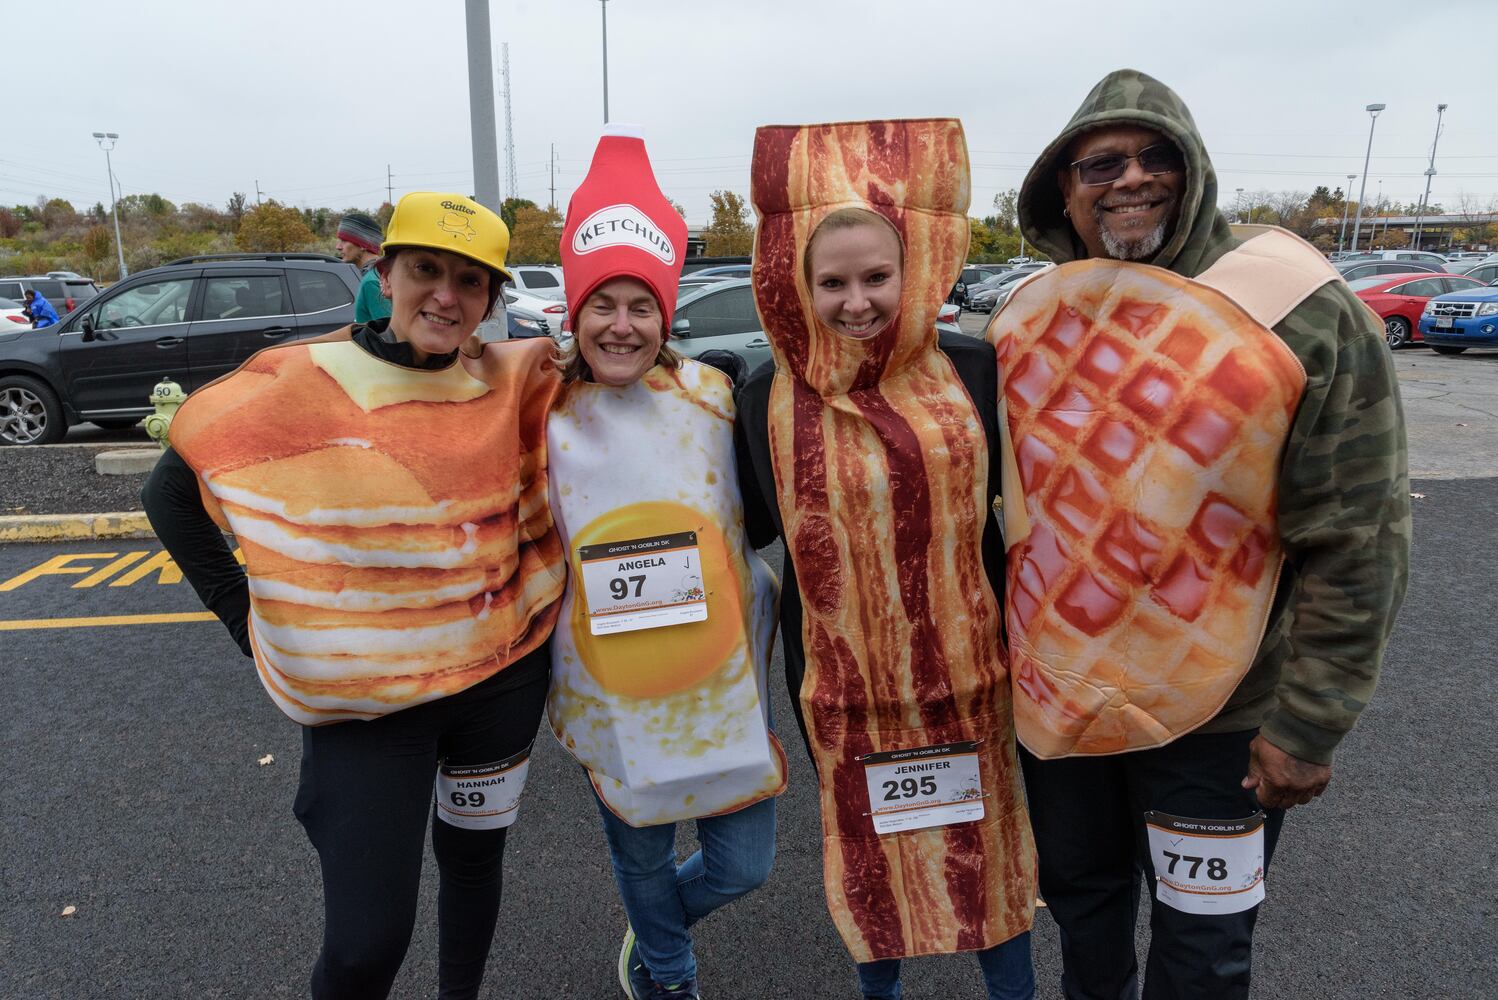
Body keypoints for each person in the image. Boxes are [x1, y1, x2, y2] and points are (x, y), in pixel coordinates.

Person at [986, 69, 1410, 999]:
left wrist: (1310, 722)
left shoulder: (1299, 304)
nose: (1131, 178)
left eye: (1157, 156)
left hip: (1225, 709)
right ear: (1064, 185)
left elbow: (1359, 534)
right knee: (1085, 909)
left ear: (1196, 169)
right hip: (1063, 704)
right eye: (1102, 161)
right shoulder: (1025, 316)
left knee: (1204, 944)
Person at [141, 191, 566, 1000]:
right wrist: (245, 618)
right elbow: (171, 496)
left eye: (471, 282)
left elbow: (612, 398)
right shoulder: (298, 378)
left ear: (489, 300)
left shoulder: (515, 381)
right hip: (366, 710)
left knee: (474, 865)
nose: (446, 295)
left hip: (502, 685)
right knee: (367, 943)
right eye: (427, 271)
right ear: (387, 272)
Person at [737, 119, 1037, 1000]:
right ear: (802, 284)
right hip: (843, 686)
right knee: (871, 859)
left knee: (990, 860)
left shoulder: (975, 370)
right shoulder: (763, 393)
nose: (856, 301)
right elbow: (756, 527)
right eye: (833, 283)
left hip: (973, 675)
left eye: (876, 277)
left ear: (914, 276)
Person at [547, 125, 785, 1000]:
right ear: (574, 311)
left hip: (722, 683)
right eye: (601, 304)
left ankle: (657, 929)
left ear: (665, 311)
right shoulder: (540, 408)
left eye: (639, 304)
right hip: (611, 688)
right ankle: (667, 974)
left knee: (744, 866)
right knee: (641, 852)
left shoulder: (715, 397)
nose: (621, 324)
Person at [334, 210, 393, 325]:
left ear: (363, 244)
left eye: (344, 241)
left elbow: (387, 332)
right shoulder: (377, 273)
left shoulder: (372, 281)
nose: (338, 247)